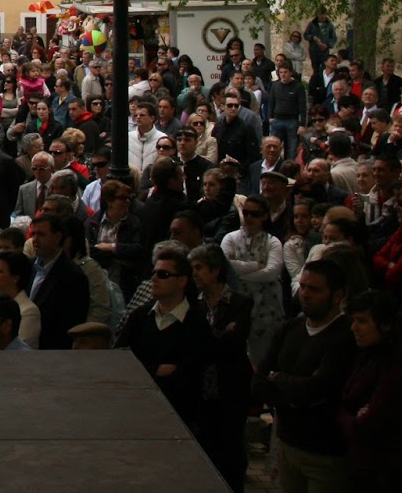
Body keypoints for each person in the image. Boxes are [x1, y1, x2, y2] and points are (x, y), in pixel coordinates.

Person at [253, 259, 354, 493]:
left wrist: (279, 380)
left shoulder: (345, 336)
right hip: (287, 444)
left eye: (314, 289)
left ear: (337, 296)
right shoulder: (290, 328)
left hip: (324, 454)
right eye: (303, 286)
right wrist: (293, 395)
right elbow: (258, 383)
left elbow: (318, 390)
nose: (305, 294)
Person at [115, 248, 209, 426]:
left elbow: (188, 376)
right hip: (136, 407)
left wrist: (142, 368)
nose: (154, 279)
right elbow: (120, 358)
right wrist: (155, 369)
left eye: (163, 274)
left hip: (179, 416)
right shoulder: (140, 316)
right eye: (154, 273)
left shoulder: (197, 324)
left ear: (181, 281)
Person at [189, 243, 253, 491]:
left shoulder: (240, 303)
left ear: (215, 271)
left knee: (231, 449)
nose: (194, 273)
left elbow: (232, 344)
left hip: (231, 386)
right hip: (201, 388)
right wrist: (220, 334)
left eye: (199, 268)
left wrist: (210, 338)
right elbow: (197, 344)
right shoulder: (193, 304)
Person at [339, 290, 402, 490]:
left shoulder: (396, 370)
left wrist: (346, 415)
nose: (354, 327)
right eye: (353, 320)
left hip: (380, 472)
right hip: (361, 464)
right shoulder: (367, 355)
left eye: (362, 321)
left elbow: (362, 427)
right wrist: (351, 415)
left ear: (385, 325)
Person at [221, 195, 286, 365]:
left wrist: (238, 273)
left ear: (265, 216)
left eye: (255, 214)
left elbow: (272, 273)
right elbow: (224, 266)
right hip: (236, 307)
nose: (249, 217)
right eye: (246, 213)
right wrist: (256, 265)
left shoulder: (273, 242)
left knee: (261, 361)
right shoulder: (230, 238)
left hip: (266, 309)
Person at [28, 213, 88, 350]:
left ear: (57, 237)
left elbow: (71, 325)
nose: (35, 240)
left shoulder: (73, 276)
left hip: (51, 352)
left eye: (41, 234)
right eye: (33, 234)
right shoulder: (28, 267)